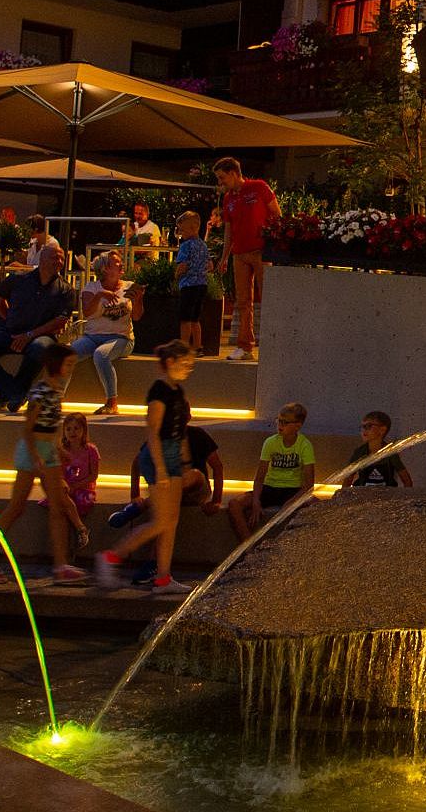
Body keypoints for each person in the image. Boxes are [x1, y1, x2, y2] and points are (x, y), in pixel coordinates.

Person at [0, 344, 89, 585]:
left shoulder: (57, 390)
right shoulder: (40, 391)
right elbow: (28, 427)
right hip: (33, 450)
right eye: (68, 364)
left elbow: (51, 426)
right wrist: (37, 455)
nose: (70, 369)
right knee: (16, 507)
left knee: (58, 506)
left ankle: (60, 565)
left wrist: (59, 450)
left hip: (48, 451)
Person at [96, 341, 199, 593]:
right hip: (159, 455)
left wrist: (185, 462)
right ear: (170, 362)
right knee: (161, 521)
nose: (188, 368)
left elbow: (181, 429)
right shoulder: (158, 391)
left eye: (191, 365)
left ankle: (163, 578)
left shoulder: (177, 391)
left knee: (170, 521)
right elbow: (152, 431)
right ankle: (112, 556)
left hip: (173, 453)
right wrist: (161, 468)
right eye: (185, 363)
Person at [0, 244, 79, 411]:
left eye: (61, 259)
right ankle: (15, 393)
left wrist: (30, 335)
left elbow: (60, 321)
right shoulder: (19, 279)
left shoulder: (66, 290)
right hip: (11, 332)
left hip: (42, 335)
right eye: (54, 257)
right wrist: (8, 318)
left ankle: (11, 393)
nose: (58, 262)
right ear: (42, 259)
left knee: (40, 348)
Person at [214, 158, 277, 362]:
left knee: (268, 298)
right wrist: (224, 257)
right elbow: (228, 230)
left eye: (222, 178)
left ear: (233, 173)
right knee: (243, 302)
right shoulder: (228, 198)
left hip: (261, 251)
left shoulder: (258, 187)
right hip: (239, 254)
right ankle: (245, 346)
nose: (221, 183)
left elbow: (277, 214)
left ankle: (272, 345)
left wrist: (274, 245)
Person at [72, 252, 142, 416]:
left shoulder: (130, 286)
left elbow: (137, 317)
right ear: (105, 269)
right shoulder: (91, 288)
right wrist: (100, 296)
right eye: (116, 262)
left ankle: (112, 402)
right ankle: (57, 398)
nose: (121, 264)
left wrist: (138, 300)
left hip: (121, 338)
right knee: (67, 354)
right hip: (92, 337)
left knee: (101, 355)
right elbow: (88, 313)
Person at [257, 403, 317, 512]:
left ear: (297, 426)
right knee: (235, 504)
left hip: (293, 489)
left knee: (320, 507)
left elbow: (309, 484)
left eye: (284, 422)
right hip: (270, 487)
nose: (280, 425)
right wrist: (255, 501)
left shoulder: (305, 445)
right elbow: (259, 477)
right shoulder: (270, 442)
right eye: (278, 420)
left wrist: (292, 502)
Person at [173, 211, 211, 355]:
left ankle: (184, 347)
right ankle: (197, 346)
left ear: (192, 228)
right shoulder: (203, 245)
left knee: (185, 318)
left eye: (182, 230)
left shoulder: (185, 246)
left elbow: (182, 265)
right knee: (195, 318)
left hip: (188, 285)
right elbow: (210, 265)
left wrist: (176, 275)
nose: (180, 233)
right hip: (202, 284)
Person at [344, 411, 412, 489]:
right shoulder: (359, 452)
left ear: (382, 430)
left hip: (386, 497)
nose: (363, 430)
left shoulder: (390, 453)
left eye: (368, 426)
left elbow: (406, 480)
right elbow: (348, 479)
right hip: (363, 497)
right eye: (362, 427)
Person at [58, 412, 100, 522]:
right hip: (67, 487)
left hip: (84, 487)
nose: (72, 432)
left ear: (84, 430)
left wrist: (76, 486)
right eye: (68, 429)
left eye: (76, 428)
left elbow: (93, 475)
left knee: (81, 502)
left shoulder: (91, 450)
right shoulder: (63, 450)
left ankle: (80, 527)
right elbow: (59, 472)